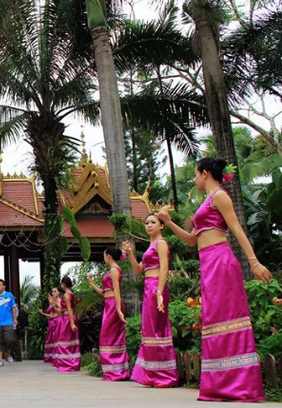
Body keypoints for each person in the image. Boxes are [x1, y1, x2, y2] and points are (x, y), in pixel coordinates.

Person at [157, 157, 270, 402]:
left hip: (220, 260)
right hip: (208, 262)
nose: (195, 179)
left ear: (205, 173)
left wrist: (254, 262)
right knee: (214, 320)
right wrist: (167, 222)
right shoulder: (207, 201)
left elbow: (237, 229)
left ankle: (240, 385)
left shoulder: (219, 196)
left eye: (196, 174)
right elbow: (191, 240)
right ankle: (221, 384)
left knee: (229, 319)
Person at [124, 214, 178, 388]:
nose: (149, 225)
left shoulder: (161, 243)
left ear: (161, 226)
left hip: (156, 287)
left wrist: (160, 291)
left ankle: (164, 375)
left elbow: (164, 268)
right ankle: (153, 373)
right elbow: (139, 270)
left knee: (158, 328)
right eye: (146, 222)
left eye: (153, 222)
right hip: (149, 287)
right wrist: (130, 253)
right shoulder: (150, 245)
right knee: (149, 329)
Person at [87, 247, 130, 382]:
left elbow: (116, 291)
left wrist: (117, 309)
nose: (104, 258)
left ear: (109, 256)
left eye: (104, 255)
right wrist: (91, 284)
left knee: (111, 337)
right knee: (109, 337)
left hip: (113, 305)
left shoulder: (114, 270)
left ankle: (116, 371)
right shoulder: (112, 270)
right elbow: (105, 292)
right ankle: (112, 370)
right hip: (109, 304)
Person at [54, 276, 80, 372]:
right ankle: (72, 362)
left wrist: (72, 323)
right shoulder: (71, 293)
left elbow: (69, 308)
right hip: (70, 317)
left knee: (64, 341)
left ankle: (67, 364)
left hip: (67, 319)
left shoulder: (66, 295)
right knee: (71, 342)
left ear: (64, 284)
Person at [39, 288, 60, 365]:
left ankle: (56, 358)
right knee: (50, 340)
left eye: (55, 291)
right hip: (51, 323)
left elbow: (53, 315)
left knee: (54, 339)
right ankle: (51, 357)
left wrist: (42, 313)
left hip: (55, 322)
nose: (53, 293)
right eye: (52, 292)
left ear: (59, 293)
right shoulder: (52, 302)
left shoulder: (58, 301)